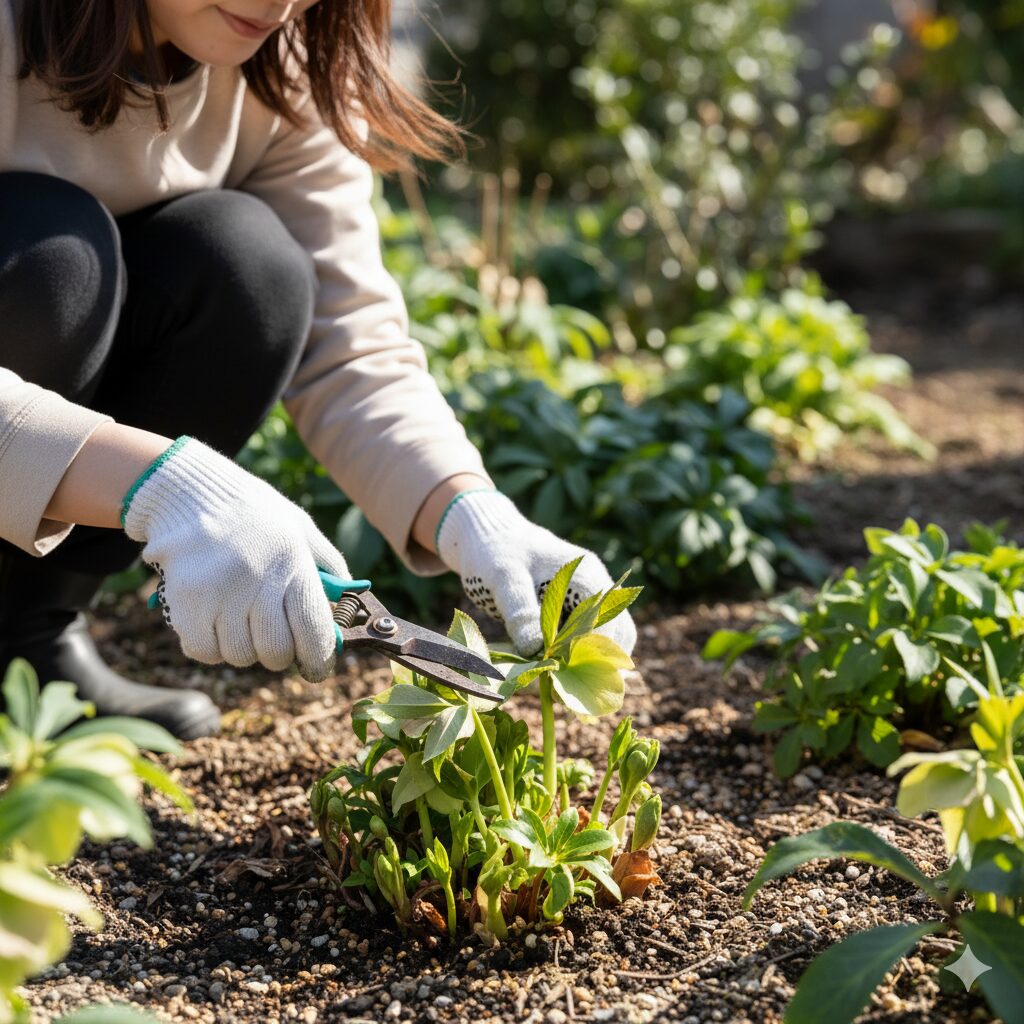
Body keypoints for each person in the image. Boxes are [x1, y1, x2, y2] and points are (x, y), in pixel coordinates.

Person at [0, 0, 636, 740]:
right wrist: (155, 484)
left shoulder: (283, 60)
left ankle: (26, 637)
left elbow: (349, 338)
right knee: (55, 261)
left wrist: (467, 510)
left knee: (247, 266)